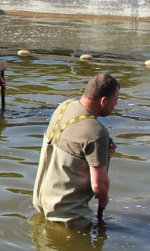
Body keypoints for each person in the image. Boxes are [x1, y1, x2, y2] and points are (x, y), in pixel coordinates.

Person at [32, 72, 119, 227]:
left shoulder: (65, 106)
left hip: (41, 203)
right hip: (69, 216)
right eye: (116, 100)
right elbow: (99, 185)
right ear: (104, 100)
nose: (116, 104)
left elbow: (75, 147)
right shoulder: (96, 132)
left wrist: (101, 153)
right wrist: (104, 199)